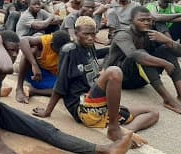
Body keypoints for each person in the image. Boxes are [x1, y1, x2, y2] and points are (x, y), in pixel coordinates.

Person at [0, 31, 133, 154]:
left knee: (45, 129)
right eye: (10, 50)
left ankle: (103, 152)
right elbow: (7, 68)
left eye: (16, 51)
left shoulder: (2, 56)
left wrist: (4, 48)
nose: (15, 54)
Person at [33, 17, 158, 145]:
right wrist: (47, 111)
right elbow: (60, 85)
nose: (90, 37)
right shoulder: (69, 50)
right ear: (76, 34)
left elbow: (102, 58)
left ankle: (127, 132)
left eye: (93, 34)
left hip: (99, 106)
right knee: (114, 71)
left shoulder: (90, 46)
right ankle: (114, 129)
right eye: (86, 34)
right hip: (83, 108)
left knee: (153, 113)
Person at [105, 6, 181, 114]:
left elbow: (179, 52)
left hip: (141, 78)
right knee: (141, 55)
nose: (146, 23)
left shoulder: (151, 33)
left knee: (165, 49)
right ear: (132, 21)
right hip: (123, 79)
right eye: (141, 20)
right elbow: (134, 55)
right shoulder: (123, 34)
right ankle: (169, 100)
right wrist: (165, 64)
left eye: (149, 20)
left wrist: (167, 41)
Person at [15, 31, 71, 103]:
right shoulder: (47, 40)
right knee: (32, 51)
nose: (60, 54)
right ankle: (19, 88)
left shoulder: (69, 48)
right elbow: (23, 41)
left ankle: (34, 91)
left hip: (47, 75)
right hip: (32, 70)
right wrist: (34, 65)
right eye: (58, 51)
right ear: (51, 45)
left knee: (65, 89)